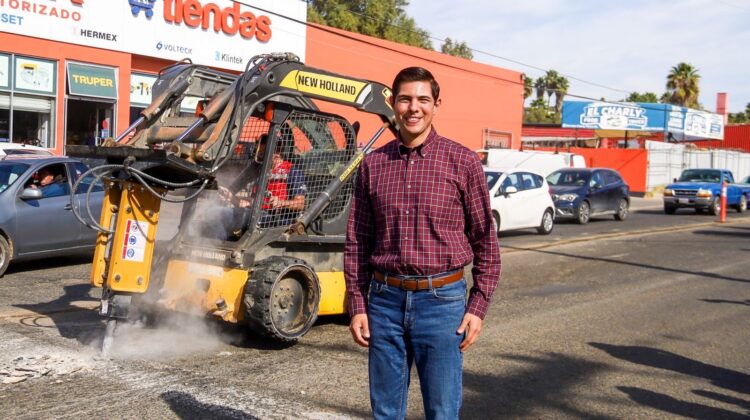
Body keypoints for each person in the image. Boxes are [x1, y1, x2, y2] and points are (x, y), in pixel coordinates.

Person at [344, 67, 501, 419]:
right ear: (393, 103)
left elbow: (485, 240)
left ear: (436, 105)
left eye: (422, 100)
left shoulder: (463, 162)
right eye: (405, 99)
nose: (413, 108)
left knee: (442, 411)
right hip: (384, 304)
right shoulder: (373, 165)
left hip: (442, 304)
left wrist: (478, 306)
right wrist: (357, 303)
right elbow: (357, 240)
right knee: (385, 412)